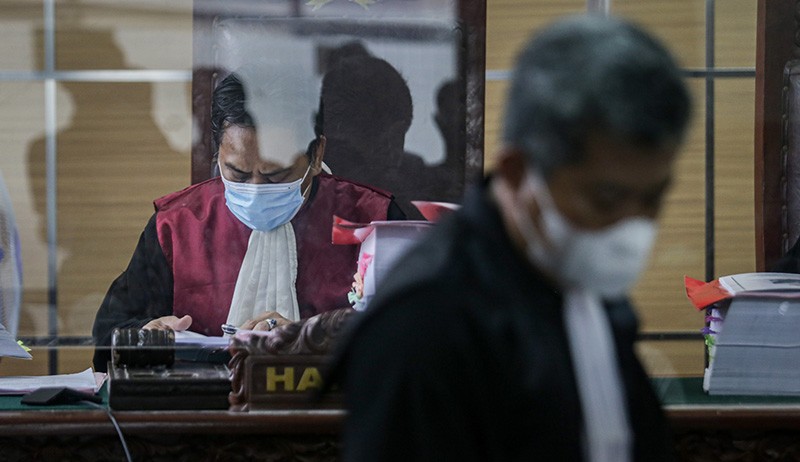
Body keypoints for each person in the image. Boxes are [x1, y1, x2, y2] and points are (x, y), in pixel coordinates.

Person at [327, 14, 691, 461]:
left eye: (652, 198)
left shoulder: (582, 278)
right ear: (519, 173)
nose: (631, 226)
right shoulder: (424, 324)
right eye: (606, 198)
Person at [91, 71, 405, 372]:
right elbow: (107, 336)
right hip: (203, 416)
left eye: (276, 175)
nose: (254, 191)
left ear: (317, 153)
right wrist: (147, 334)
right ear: (217, 154)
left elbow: (414, 342)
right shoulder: (176, 226)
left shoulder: (374, 223)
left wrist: (318, 341)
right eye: (237, 174)